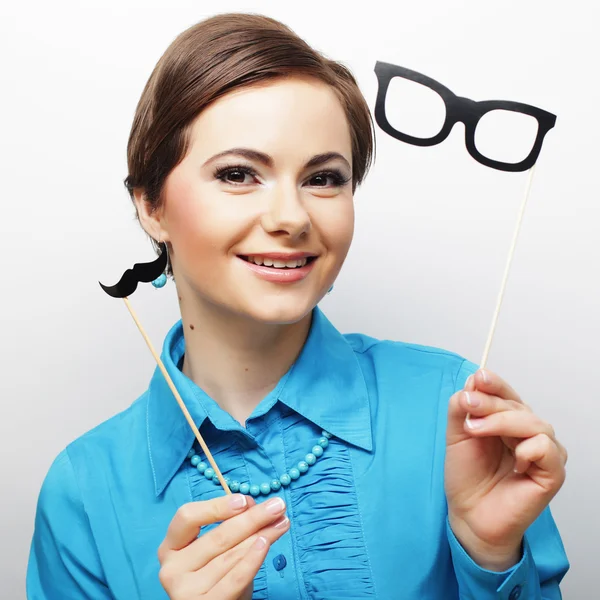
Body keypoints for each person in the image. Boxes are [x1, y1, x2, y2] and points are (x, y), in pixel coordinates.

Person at [26, 12, 569, 600]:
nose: (291, 217)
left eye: (324, 178)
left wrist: (489, 554)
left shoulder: (459, 414)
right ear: (150, 205)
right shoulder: (83, 492)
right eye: (238, 174)